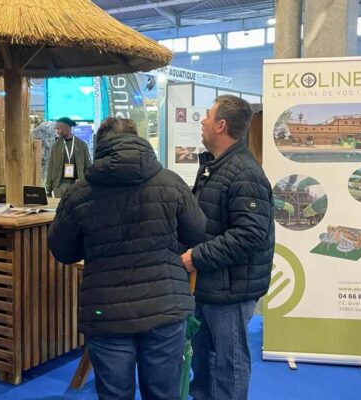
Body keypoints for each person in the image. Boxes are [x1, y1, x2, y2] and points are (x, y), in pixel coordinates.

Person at [48, 117, 206, 400]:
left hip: (105, 311)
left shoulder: (79, 193)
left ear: (100, 145)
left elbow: (62, 251)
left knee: (114, 394)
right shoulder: (170, 182)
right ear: (139, 139)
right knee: (163, 394)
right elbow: (196, 231)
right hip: (165, 304)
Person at [181, 95, 275, 400]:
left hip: (231, 288)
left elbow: (249, 235)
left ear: (221, 125)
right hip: (211, 283)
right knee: (204, 358)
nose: (203, 122)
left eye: (207, 116)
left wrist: (196, 256)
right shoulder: (215, 167)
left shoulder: (244, 172)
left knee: (229, 361)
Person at [45, 117, 91, 198]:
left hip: (77, 185)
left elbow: (87, 166)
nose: (57, 132)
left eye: (59, 129)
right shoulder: (55, 146)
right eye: (56, 129)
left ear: (67, 128)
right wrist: (48, 189)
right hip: (59, 186)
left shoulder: (82, 145)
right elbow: (51, 167)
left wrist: (87, 184)